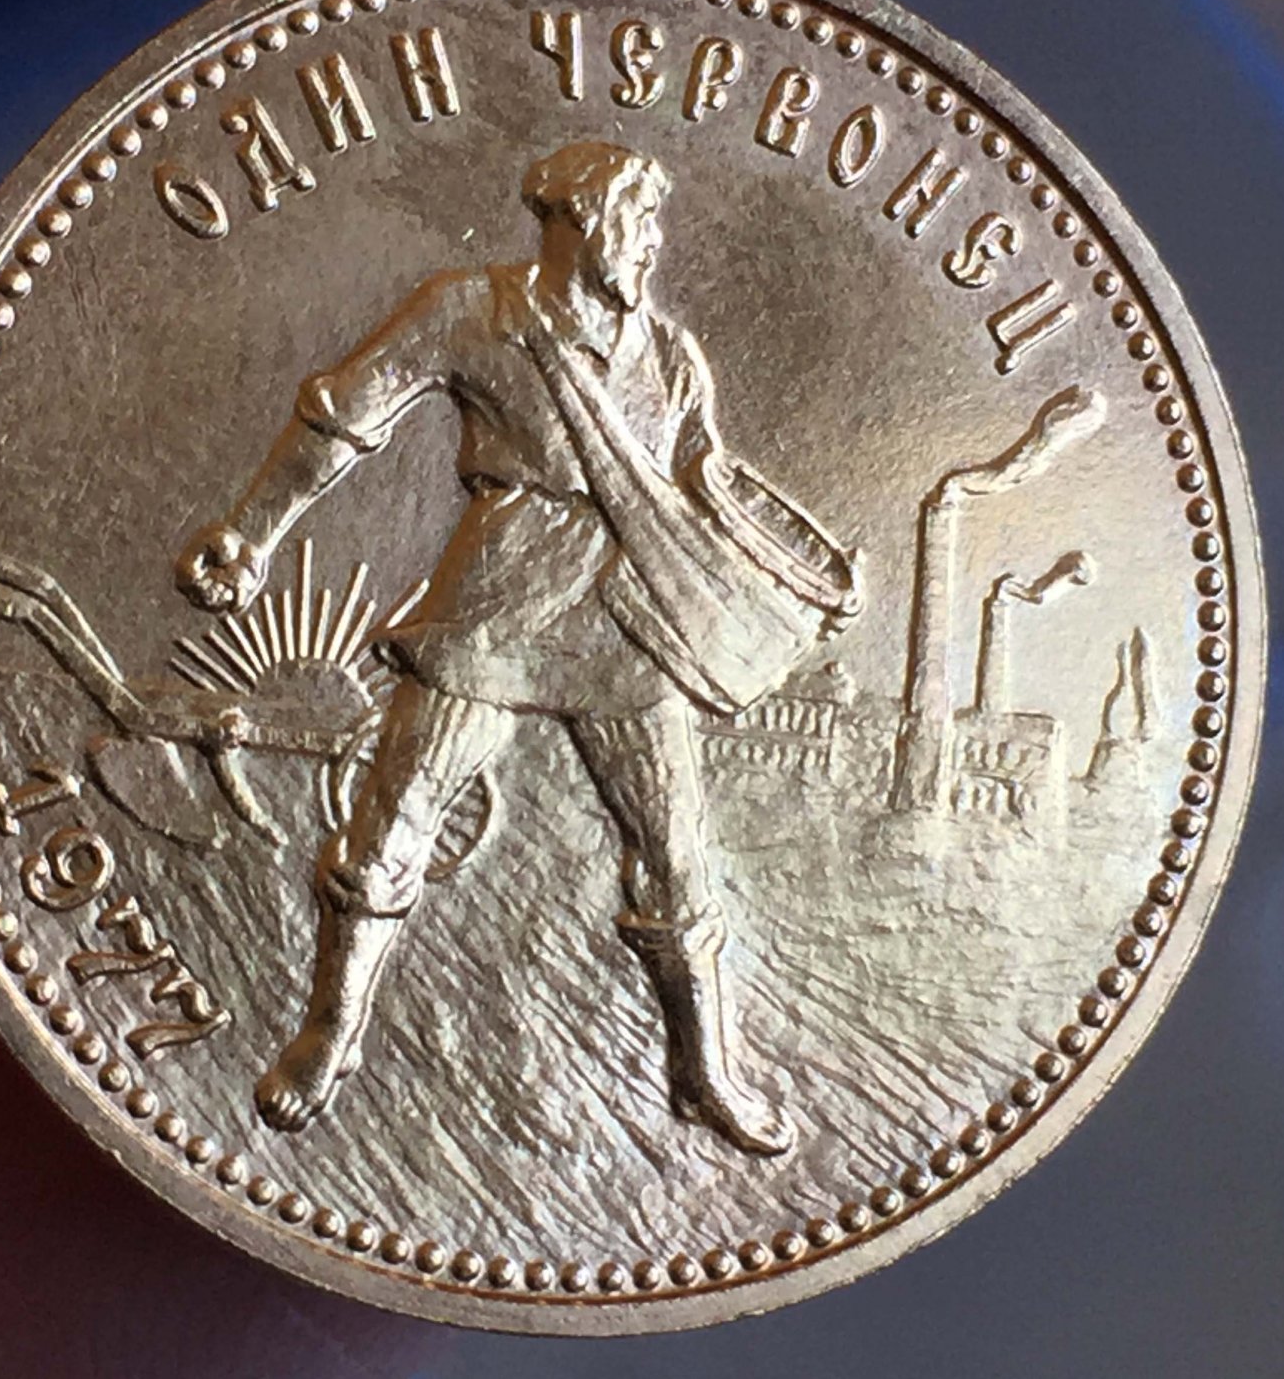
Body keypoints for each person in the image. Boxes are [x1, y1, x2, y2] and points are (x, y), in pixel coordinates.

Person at [177, 141, 855, 1156]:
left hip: (630, 620)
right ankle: (331, 1033)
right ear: (582, 219)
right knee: (391, 826)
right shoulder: (471, 310)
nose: (653, 242)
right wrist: (252, 535)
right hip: (496, 603)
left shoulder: (670, 355)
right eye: (640, 220)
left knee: (676, 857)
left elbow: (706, 491)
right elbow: (344, 414)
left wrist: (790, 587)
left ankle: (706, 1069)